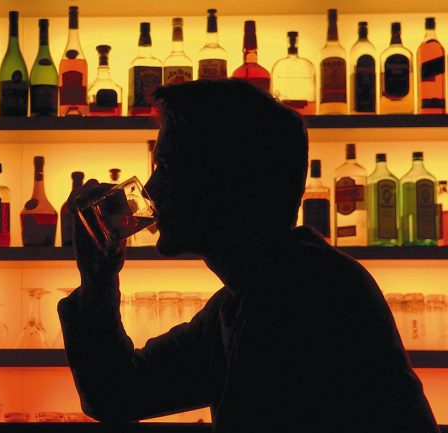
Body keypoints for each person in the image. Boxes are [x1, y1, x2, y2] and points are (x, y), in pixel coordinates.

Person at [57, 79, 438, 433]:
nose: (151, 190)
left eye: (168, 167)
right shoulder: (252, 293)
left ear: (228, 179)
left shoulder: (302, 292)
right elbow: (117, 394)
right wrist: (97, 279)